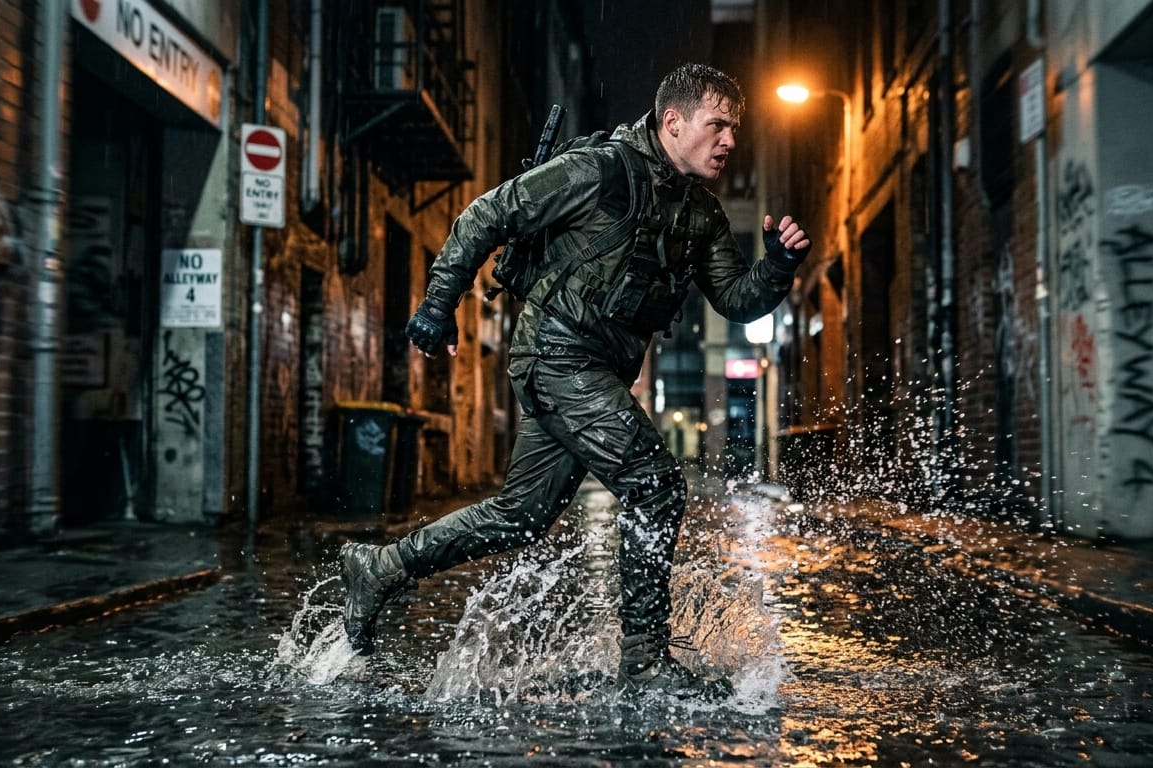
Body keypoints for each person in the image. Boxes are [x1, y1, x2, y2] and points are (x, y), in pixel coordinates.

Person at [340, 62, 811, 698]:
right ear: (673, 123)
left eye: (735, 128)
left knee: (522, 516)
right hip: (556, 356)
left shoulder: (701, 214)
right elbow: (487, 213)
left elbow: (733, 296)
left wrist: (778, 265)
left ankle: (381, 567)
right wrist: (435, 304)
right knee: (656, 483)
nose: (729, 141)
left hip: (598, 372)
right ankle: (644, 659)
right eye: (717, 125)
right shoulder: (598, 170)